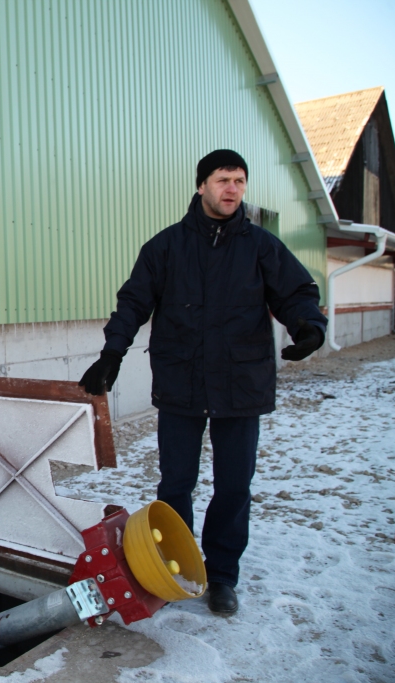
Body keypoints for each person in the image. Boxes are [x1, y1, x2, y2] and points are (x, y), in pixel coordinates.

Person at [78, 150, 327, 615]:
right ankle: (172, 568)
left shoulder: (262, 247)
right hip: (182, 381)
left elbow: (295, 292)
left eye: (239, 181)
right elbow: (133, 302)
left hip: (242, 382)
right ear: (201, 186)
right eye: (222, 180)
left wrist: (308, 326)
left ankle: (223, 576)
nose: (232, 189)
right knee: (176, 483)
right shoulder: (166, 247)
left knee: (234, 485)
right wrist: (112, 351)